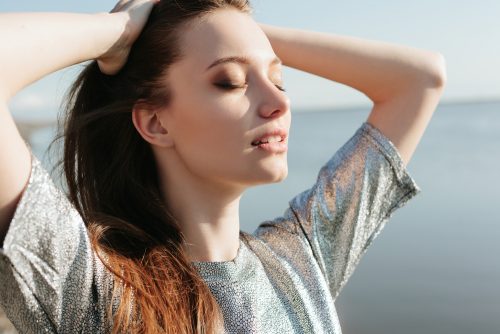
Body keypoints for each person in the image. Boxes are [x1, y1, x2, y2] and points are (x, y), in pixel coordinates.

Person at [0, 0, 446, 333]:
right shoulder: (95, 288)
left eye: (278, 79)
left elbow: (421, 79)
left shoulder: (301, 260)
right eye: (230, 81)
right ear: (155, 121)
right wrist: (117, 31)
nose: (278, 103)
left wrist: (243, 32)